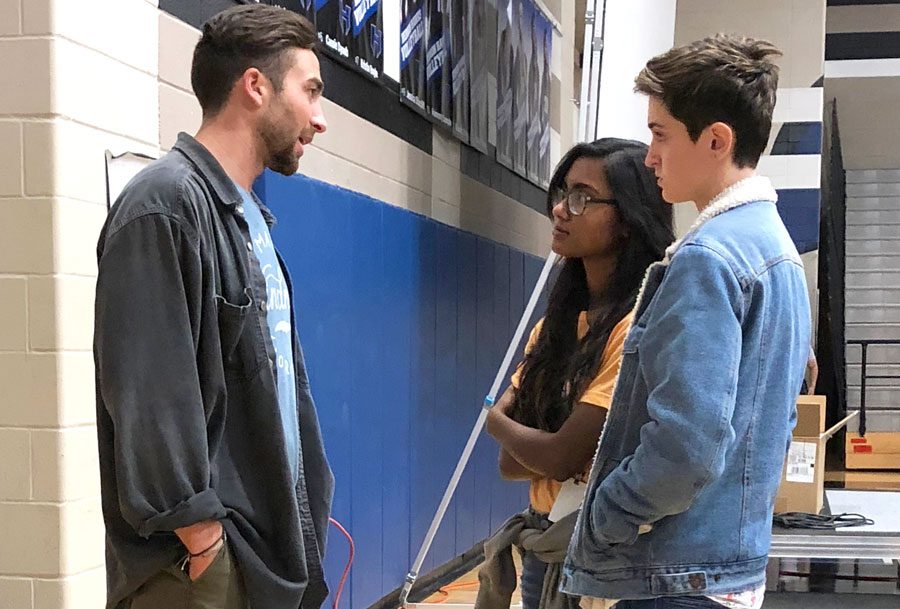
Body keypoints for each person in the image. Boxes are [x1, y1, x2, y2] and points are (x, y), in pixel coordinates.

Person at [559, 35, 812, 609]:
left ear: (716, 139)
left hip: (676, 578)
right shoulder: (777, 251)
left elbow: (687, 446)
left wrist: (604, 518)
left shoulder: (710, 258)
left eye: (660, 134)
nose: (650, 156)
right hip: (726, 569)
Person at [93, 5, 332, 609]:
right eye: (310, 92)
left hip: (263, 555)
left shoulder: (246, 217)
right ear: (255, 86)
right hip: (198, 569)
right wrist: (203, 543)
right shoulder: (164, 205)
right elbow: (150, 396)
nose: (319, 119)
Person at [477, 138, 674, 609]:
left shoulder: (637, 326)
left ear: (626, 219)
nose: (562, 210)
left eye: (582, 197)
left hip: (607, 553)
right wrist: (542, 448)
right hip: (542, 542)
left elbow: (561, 456)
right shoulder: (554, 328)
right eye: (563, 194)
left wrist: (494, 420)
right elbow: (512, 465)